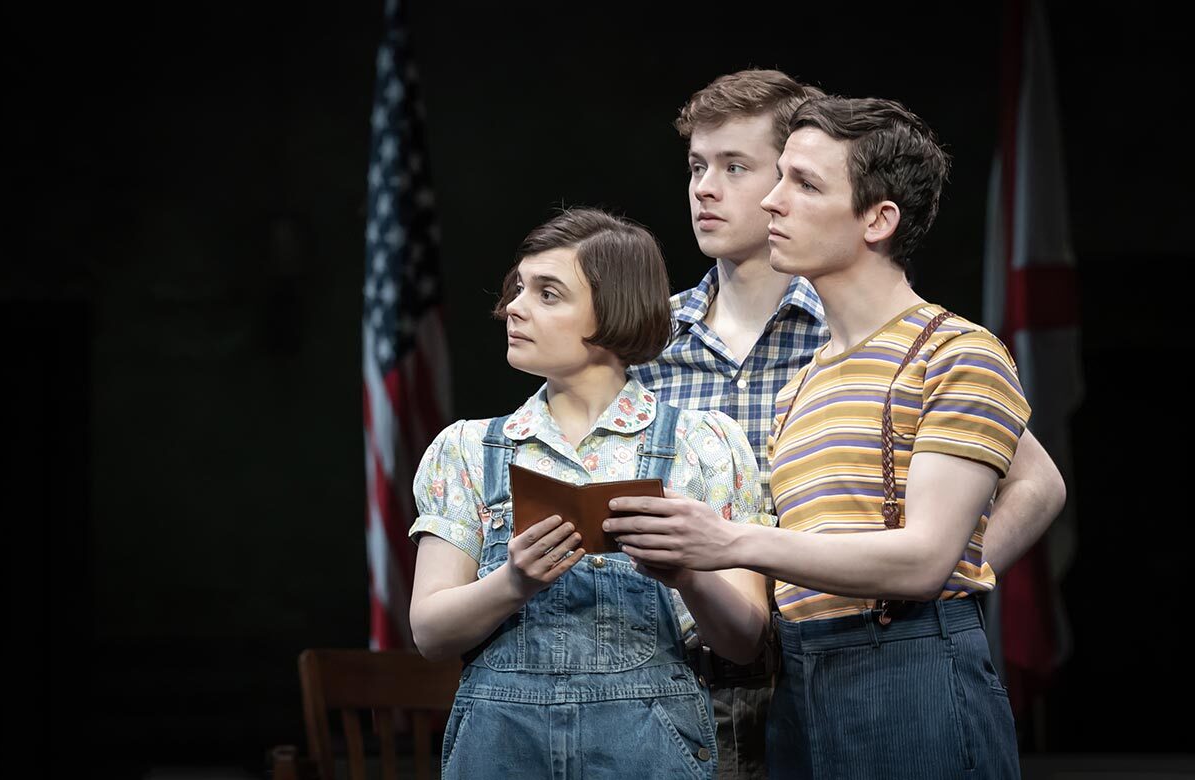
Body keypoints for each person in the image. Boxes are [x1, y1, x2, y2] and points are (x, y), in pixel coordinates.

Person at [628, 71, 1065, 778]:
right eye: (698, 167)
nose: (764, 198)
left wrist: (951, 582)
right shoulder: (802, 378)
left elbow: (945, 544)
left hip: (899, 658)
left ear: (875, 217)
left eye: (796, 182)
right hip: (779, 670)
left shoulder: (946, 349)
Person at [407, 207, 773, 779]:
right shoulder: (470, 449)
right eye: (518, 289)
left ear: (613, 311)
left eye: (547, 294)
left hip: (648, 750)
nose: (513, 308)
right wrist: (513, 581)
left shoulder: (704, 444)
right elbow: (429, 632)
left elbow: (744, 642)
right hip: (503, 751)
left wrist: (687, 574)